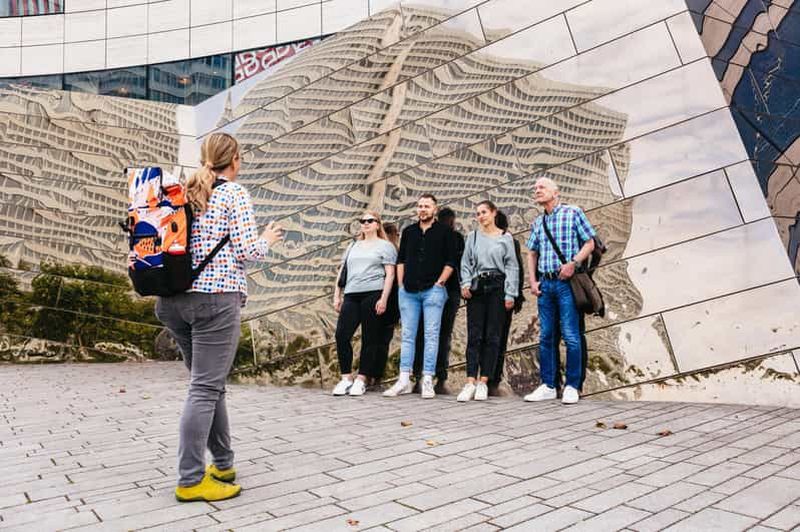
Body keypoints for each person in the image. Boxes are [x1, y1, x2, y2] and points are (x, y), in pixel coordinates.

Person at [155, 133, 283, 502]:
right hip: (214, 301)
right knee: (205, 388)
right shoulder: (233, 193)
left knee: (209, 385)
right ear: (235, 160)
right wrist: (267, 239)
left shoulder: (183, 192)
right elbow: (245, 249)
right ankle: (191, 480)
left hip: (173, 302)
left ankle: (223, 463)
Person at [523, 177, 595, 405]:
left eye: (542, 187)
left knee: (571, 335)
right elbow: (532, 253)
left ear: (556, 191)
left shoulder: (573, 213)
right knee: (546, 336)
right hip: (546, 285)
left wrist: (573, 262)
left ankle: (573, 385)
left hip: (567, 284)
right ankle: (549, 385)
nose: (537, 191)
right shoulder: (538, 222)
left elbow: (590, 243)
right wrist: (533, 282)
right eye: (535, 188)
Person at [383, 194, 457, 399]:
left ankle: (427, 379)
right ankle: (404, 379)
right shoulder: (409, 232)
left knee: (431, 335)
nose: (422, 209)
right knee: (407, 336)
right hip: (408, 291)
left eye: (427, 206)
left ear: (435, 209)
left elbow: (451, 261)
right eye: (420, 206)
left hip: (433, 290)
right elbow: (402, 260)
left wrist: (440, 282)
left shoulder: (445, 233)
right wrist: (400, 285)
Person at [457, 200, 518, 402]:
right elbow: (465, 263)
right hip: (478, 287)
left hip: (497, 286)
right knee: (474, 335)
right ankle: (470, 381)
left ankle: (484, 381)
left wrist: (510, 294)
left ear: (493, 213)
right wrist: (465, 283)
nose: (481, 216)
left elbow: (512, 267)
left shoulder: (505, 237)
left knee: (493, 336)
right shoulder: (472, 237)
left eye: (484, 212)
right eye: (478, 213)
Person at [332, 211, 397, 396]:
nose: (366, 223)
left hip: (373, 293)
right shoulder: (353, 245)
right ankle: (346, 378)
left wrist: (383, 298)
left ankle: (362, 379)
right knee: (341, 335)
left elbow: (390, 274)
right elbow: (342, 271)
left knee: (370, 338)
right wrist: (337, 295)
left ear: (378, 224)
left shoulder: (385, 246)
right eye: (363, 221)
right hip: (352, 294)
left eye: (370, 221)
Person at [413, 207, 464, 394]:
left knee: (423, 334)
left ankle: (419, 377)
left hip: (430, 289)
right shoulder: (456, 238)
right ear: (451, 221)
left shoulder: (430, 236)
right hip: (449, 291)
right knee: (443, 335)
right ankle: (440, 379)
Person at [489, 210, 524, 396]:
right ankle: (490, 377)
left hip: (503, 297)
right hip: (493, 297)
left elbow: (516, 269)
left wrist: (515, 296)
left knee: (498, 337)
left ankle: (492, 377)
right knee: (495, 337)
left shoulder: (510, 242)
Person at [370, 221, 400, 389]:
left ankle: (367, 375)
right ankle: (377, 378)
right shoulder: (395, 252)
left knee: (372, 339)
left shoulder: (379, 250)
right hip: (391, 303)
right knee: (383, 342)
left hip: (376, 299)